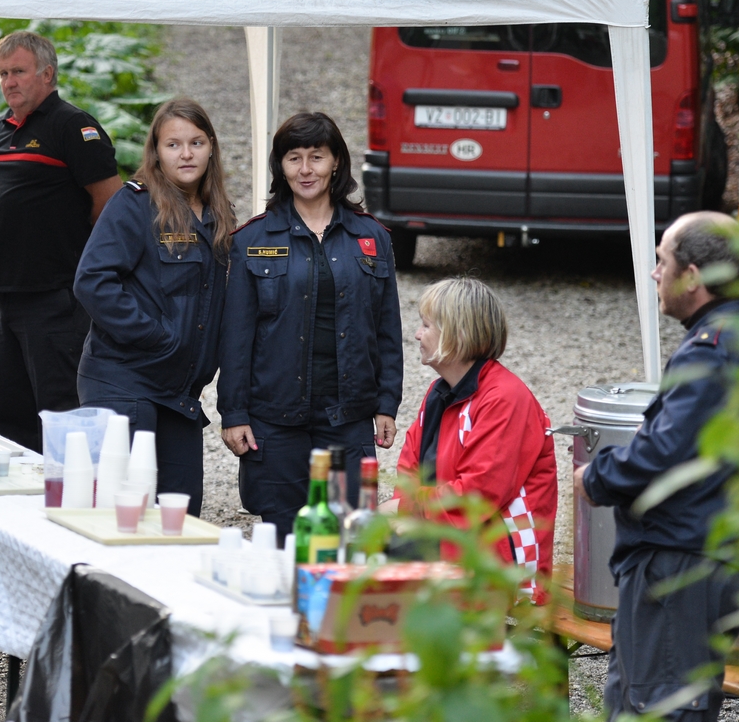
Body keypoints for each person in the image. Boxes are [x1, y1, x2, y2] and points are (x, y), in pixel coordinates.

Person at [575, 212, 739, 721]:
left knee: (660, 708)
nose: (654, 273)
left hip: (682, 563)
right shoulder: (737, 335)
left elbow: (663, 451)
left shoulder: (713, 350)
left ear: (692, 277)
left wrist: (595, 477)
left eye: (662, 261)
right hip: (703, 558)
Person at [217, 112, 403, 540]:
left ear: (336, 162)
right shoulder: (253, 240)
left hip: (349, 418)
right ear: (280, 167)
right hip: (276, 420)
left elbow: (387, 328)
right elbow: (236, 337)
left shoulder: (372, 237)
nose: (305, 170)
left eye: (316, 157)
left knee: (348, 536)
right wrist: (235, 412)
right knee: (283, 539)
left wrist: (387, 402)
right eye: (293, 158)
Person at [74, 99, 234, 516]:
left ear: (211, 147)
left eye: (196, 142)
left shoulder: (218, 214)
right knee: (125, 516)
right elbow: (92, 281)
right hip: (125, 383)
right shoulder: (134, 205)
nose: (186, 154)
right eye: (173, 144)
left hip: (179, 396)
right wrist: (158, 337)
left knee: (180, 517)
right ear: (156, 152)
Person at [0, 31, 123, 452]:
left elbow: (110, 206)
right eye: (3, 73)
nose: (10, 82)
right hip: (3, 297)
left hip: (53, 299)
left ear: (47, 73)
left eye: (19, 72)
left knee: (61, 413)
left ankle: (69, 501)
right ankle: (23, 508)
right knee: (13, 412)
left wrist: (84, 270)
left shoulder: (73, 126)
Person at [390, 277, 556, 602]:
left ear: (458, 335)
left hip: (500, 564)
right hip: (451, 542)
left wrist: (405, 509)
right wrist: (404, 512)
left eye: (426, 325)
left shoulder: (504, 398)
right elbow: (409, 468)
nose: (416, 334)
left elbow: (477, 496)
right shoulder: (438, 393)